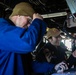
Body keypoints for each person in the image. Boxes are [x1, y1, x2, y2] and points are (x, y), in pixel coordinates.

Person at [0, 2, 47, 75]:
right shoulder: (2, 28)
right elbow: (28, 43)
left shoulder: (17, 37)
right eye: (29, 20)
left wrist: (53, 67)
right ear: (18, 15)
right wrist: (37, 21)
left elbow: (28, 64)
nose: (29, 26)